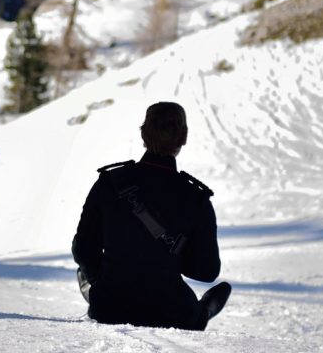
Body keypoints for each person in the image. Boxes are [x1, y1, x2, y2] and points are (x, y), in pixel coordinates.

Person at [71, 101, 231, 329]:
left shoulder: (111, 182)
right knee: (202, 305)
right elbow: (206, 271)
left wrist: (106, 281)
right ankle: (202, 312)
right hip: (173, 312)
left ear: (143, 134)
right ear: (183, 137)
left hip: (108, 307)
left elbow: (83, 250)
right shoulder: (196, 198)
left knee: (102, 282)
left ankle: (100, 292)